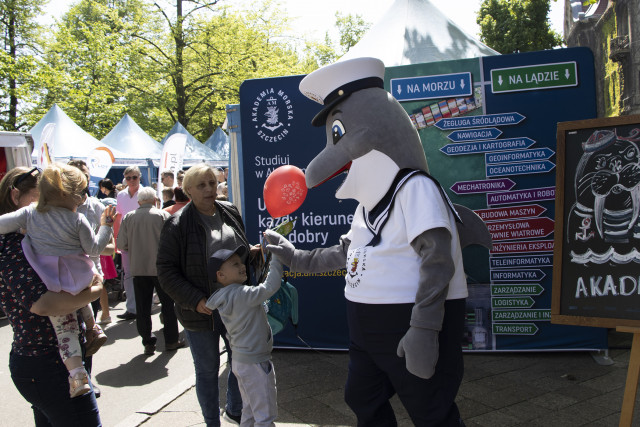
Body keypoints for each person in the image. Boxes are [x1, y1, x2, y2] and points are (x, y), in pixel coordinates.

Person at [0, 163, 114, 398]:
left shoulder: (30, 215)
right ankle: (86, 348)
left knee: (67, 327)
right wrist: (106, 227)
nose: (84, 197)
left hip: (52, 278)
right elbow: (94, 247)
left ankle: (79, 371)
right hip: (77, 278)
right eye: (82, 192)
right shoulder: (75, 220)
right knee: (71, 322)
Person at [157, 163, 259, 426]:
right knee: (207, 370)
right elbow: (166, 270)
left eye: (212, 183)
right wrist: (195, 300)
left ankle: (234, 410)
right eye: (201, 185)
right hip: (202, 312)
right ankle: (211, 421)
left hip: (236, 307)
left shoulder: (229, 210)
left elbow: (235, 251)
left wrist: (251, 252)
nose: (209, 189)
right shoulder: (177, 224)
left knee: (240, 362)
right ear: (188, 190)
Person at [206, 246, 283, 427]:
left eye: (240, 262)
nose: (241, 266)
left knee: (248, 409)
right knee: (265, 414)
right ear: (220, 275)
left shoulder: (222, 296)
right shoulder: (242, 294)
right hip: (255, 361)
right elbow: (271, 286)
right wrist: (277, 259)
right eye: (234, 264)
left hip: (241, 361)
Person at [117, 187, 183, 355]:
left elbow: (121, 244)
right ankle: (171, 340)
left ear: (139, 202)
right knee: (168, 305)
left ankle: (147, 341)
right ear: (155, 200)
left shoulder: (129, 218)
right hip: (162, 268)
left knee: (142, 307)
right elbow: (174, 241)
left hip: (138, 268)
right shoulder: (162, 216)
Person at [114, 166, 143, 320]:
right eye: (128, 177)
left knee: (144, 273)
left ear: (139, 177)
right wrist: (116, 238)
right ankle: (132, 308)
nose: (131, 180)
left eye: (134, 177)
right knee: (129, 275)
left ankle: (145, 305)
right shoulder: (121, 195)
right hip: (127, 239)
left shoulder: (146, 193)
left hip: (143, 239)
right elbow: (119, 217)